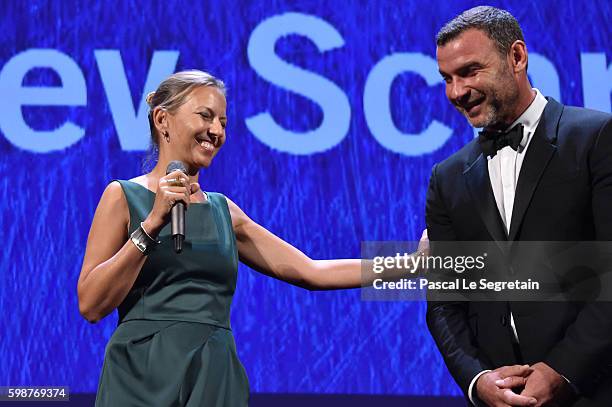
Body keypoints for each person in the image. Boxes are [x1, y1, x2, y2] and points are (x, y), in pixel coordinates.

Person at [77, 70, 427, 406]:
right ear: (162, 120)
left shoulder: (224, 212)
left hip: (212, 378)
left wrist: (412, 265)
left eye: (223, 123)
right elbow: (91, 305)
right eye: (205, 116)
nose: (216, 131)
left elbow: (312, 272)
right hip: (141, 377)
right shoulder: (122, 197)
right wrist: (152, 224)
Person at [425, 6, 612, 407]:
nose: (457, 92)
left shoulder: (596, 138)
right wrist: (477, 381)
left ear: (517, 57)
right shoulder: (447, 177)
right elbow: (444, 302)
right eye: (447, 79)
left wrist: (563, 371)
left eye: (470, 71)